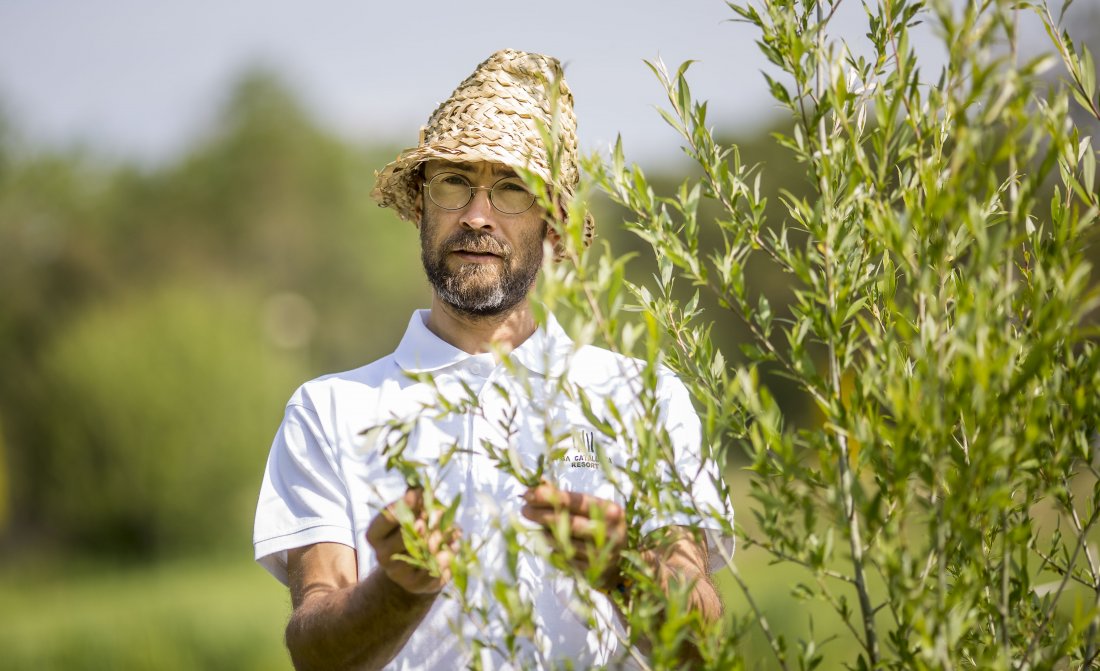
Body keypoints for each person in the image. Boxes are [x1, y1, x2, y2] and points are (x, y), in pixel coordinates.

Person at [253, 49, 731, 670]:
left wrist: (625, 573)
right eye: (454, 181)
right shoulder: (328, 411)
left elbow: (700, 643)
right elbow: (314, 653)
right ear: (422, 206)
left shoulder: (642, 397)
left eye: (510, 188)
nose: (477, 215)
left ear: (553, 225)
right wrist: (397, 592)